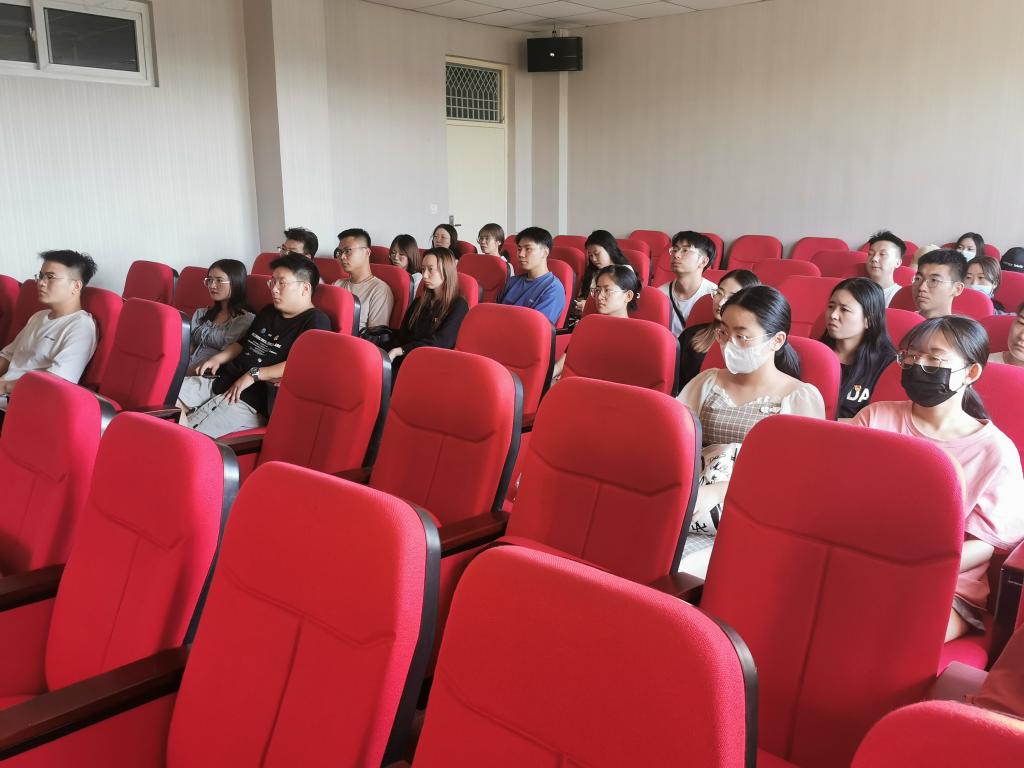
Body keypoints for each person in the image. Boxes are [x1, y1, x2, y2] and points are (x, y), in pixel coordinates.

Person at [852, 316, 1024, 642]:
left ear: (971, 373)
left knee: (892, 633)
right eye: (912, 356)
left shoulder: (995, 451)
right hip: (859, 561)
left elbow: (986, 545)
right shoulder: (874, 417)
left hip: (944, 584)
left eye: (934, 359)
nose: (918, 365)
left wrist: (914, 569)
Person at [677, 286, 825, 578]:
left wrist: (720, 491)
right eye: (724, 333)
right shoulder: (707, 382)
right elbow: (675, 443)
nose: (729, 344)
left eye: (742, 336)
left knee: (684, 570)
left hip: (754, 514)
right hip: (693, 502)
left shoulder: (799, 397)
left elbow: (797, 480)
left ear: (777, 340)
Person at [177, 254, 331, 438]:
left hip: (249, 397)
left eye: (281, 283)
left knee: (189, 436)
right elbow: (243, 344)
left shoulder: (316, 321)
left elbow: (304, 364)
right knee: (165, 400)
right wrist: (217, 359)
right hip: (221, 379)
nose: (274, 289)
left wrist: (254, 374)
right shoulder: (268, 311)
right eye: (272, 282)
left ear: (305, 288)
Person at [0, 250, 98, 395]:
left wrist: (4, 387)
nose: (41, 283)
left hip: (26, 398)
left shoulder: (81, 326)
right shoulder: (38, 316)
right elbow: (7, 356)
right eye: (40, 276)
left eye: (50, 277)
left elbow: (57, 381)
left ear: (76, 286)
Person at [818, 277, 896, 418]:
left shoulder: (887, 365)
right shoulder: (815, 354)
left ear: (869, 320)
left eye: (844, 309)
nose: (833, 315)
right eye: (831, 306)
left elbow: (880, 420)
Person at [387, 248, 468, 377]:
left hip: (431, 365)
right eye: (423, 269)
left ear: (446, 271)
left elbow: (441, 342)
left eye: (430, 269)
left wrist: (402, 350)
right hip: (406, 359)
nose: (424, 275)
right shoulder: (419, 302)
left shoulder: (459, 305)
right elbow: (402, 335)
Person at [677, 269, 760, 389]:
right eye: (719, 293)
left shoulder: (756, 348)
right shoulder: (691, 335)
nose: (721, 302)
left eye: (732, 297)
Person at [552, 265, 639, 381]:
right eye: (597, 290)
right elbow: (562, 364)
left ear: (628, 296)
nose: (599, 297)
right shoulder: (588, 327)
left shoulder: (635, 336)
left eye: (607, 290)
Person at [188, 259, 254, 369]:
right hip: (186, 368)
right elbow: (189, 347)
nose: (212, 286)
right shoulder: (201, 313)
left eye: (219, 280)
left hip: (211, 373)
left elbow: (228, 359)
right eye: (210, 280)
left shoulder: (244, 319)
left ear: (235, 283)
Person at [497, 227, 566, 327]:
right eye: (519, 249)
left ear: (545, 252)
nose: (521, 254)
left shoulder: (553, 289)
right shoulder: (512, 282)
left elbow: (536, 327)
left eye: (528, 249)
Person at [334, 227, 394, 331]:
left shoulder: (379, 290)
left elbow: (374, 337)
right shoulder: (337, 285)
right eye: (340, 252)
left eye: (347, 251)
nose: (342, 257)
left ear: (367, 252)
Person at [659, 231, 718, 336]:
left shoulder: (715, 296)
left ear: (703, 261)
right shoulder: (660, 294)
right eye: (675, 250)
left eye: (685, 250)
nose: (676, 255)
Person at [572, 230, 634, 318]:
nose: (593, 259)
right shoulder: (593, 271)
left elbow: (626, 306)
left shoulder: (624, 271)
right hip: (589, 318)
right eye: (590, 255)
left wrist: (588, 306)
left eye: (596, 254)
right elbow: (583, 297)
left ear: (609, 249)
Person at [912, 249, 967, 318]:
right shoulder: (903, 321)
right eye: (918, 279)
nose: (921, 288)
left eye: (934, 280)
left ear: (957, 289)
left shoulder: (957, 325)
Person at [864, 230, 906, 306]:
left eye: (882, 254)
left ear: (898, 263)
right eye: (870, 254)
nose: (874, 259)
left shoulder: (902, 296)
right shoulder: (855, 291)